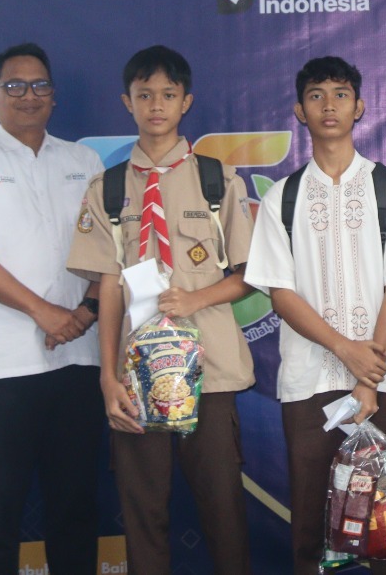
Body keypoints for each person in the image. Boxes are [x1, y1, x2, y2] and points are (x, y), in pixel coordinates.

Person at [66, 45, 258, 575]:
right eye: (144, 94)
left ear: (185, 102)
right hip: (135, 378)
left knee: (223, 508)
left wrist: (196, 298)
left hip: (210, 373)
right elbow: (108, 289)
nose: (156, 105)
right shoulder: (107, 189)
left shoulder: (218, 180)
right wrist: (108, 377)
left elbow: (250, 275)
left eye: (168, 95)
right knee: (143, 512)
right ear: (126, 102)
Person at [243, 56, 386, 575]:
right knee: (310, 526)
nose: (329, 105)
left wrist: (366, 374)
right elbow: (281, 294)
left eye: (341, 94)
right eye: (316, 95)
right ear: (299, 111)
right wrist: (344, 349)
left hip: (378, 382)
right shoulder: (282, 197)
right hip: (308, 382)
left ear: (360, 107)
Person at [0, 42, 105, 575]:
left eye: (40, 85)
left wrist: (84, 314)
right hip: (0, 367)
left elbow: (108, 251)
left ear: (54, 95)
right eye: (14, 86)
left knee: (76, 511)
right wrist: (44, 313)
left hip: (79, 359)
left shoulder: (83, 161)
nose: (28, 95)